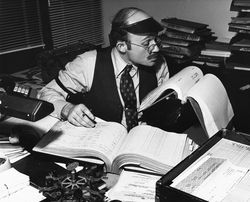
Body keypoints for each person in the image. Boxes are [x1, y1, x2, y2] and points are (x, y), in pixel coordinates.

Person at [37, 7, 170, 130]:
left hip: (144, 136)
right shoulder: (88, 63)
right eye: (147, 43)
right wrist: (67, 108)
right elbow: (45, 93)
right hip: (103, 139)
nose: (156, 48)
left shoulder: (159, 63)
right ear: (122, 46)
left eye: (156, 40)